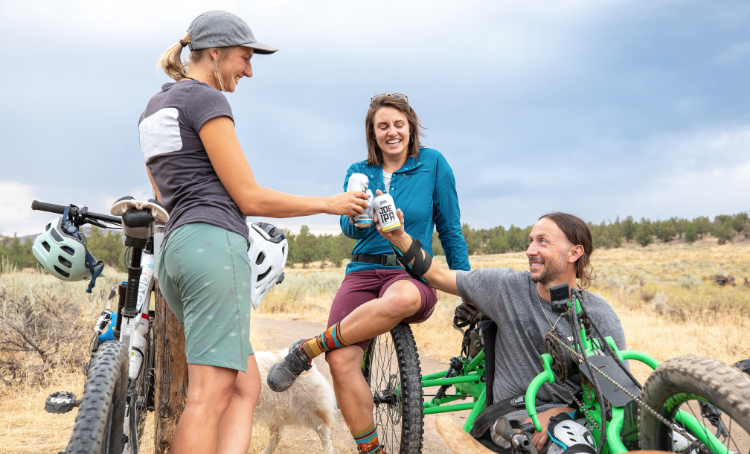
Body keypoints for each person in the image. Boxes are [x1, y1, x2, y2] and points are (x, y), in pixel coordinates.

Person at [139, 11, 367, 454]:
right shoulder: (206, 100)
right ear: (215, 53)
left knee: (245, 384)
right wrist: (329, 204)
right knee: (208, 395)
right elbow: (249, 198)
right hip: (213, 246)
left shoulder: (155, 107)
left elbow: (162, 191)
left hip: (177, 251)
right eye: (244, 57)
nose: (248, 69)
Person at [267, 94, 470, 454]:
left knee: (405, 297)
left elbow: (450, 229)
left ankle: (309, 348)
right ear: (372, 133)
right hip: (363, 269)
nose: (391, 132)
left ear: (410, 127)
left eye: (398, 125)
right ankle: (371, 450)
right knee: (342, 360)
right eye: (382, 126)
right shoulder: (358, 171)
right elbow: (348, 227)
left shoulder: (433, 164)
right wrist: (361, 220)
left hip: (409, 270)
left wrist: (469, 288)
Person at [376, 209, 626, 453]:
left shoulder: (599, 316)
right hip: (515, 413)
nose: (530, 251)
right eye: (530, 241)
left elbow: (616, 395)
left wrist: (564, 412)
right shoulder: (506, 288)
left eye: (543, 242)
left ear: (574, 252)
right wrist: (398, 236)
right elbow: (436, 276)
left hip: (576, 417)